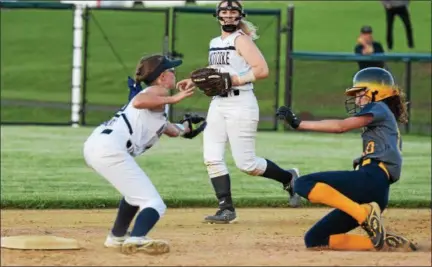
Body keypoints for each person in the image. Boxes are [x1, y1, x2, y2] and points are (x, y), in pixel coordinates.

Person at [176, 0, 301, 224]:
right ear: (218, 16)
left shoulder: (241, 40)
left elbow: (262, 70)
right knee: (211, 158)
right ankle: (226, 209)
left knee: (247, 164)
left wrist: (235, 79)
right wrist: (194, 81)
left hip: (241, 102)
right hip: (218, 103)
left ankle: (289, 177)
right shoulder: (215, 42)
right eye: (225, 12)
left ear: (240, 15)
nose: (229, 16)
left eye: (233, 12)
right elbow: (215, 73)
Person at [276, 67, 417, 252]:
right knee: (315, 239)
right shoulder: (385, 119)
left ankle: (364, 214)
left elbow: (340, 126)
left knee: (302, 183)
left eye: (361, 93)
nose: (357, 99)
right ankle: (382, 243)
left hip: (372, 178)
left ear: (378, 92)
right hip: (377, 192)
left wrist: (298, 123)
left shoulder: (379, 107)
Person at [83, 54, 206, 254]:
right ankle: (137, 238)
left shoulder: (157, 100)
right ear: (162, 77)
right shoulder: (155, 93)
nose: (174, 74)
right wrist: (175, 98)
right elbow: (139, 101)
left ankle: (117, 237)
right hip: (109, 149)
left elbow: (171, 130)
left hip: (100, 145)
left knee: (134, 195)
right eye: (171, 71)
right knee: (154, 203)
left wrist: (187, 127)